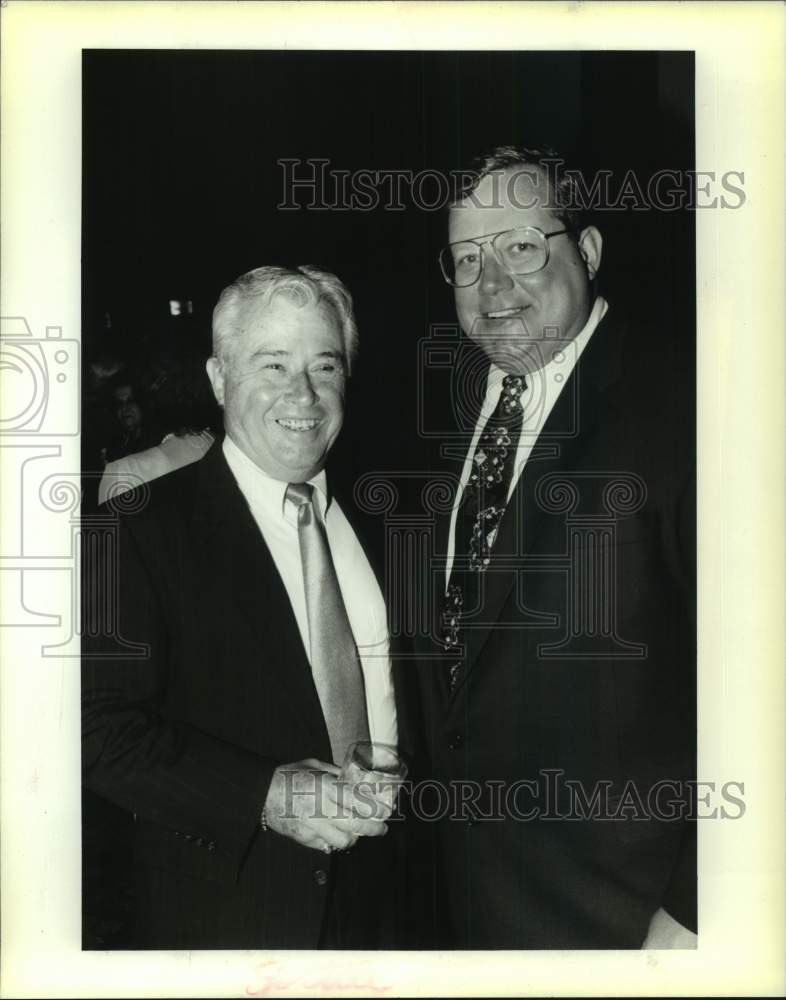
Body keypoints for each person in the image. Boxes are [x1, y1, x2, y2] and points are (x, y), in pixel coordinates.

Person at [416, 146, 696, 949]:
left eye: (521, 248)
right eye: (467, 260)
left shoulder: (692, 404)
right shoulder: (438, 415)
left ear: (591, 251)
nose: (492, 286)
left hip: (626, 919)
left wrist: (699, 912)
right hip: (468, 907)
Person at [82, 265, 405, 949]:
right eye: (273, 365)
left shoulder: (387, 521)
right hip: (231, 919)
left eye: (325, 364)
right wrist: (265, 794)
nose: (305, 394)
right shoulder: (137, 531)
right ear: (220, 377)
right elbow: (94, 729)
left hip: (386, 911)